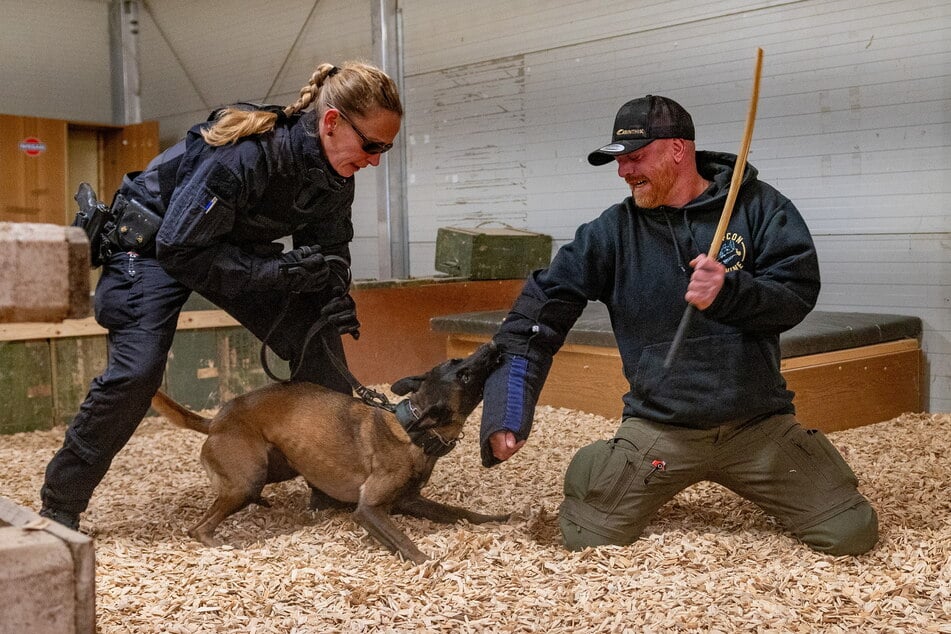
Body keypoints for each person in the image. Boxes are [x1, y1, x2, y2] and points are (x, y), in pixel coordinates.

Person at [479, 95, 878, 556]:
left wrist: (730, 291)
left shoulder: (760, 208)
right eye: (619, 161)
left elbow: (796, 296)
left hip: (758, 426)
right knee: (585, 535)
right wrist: (507, 411)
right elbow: (537, 316)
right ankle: (599, 463)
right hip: (660, 428)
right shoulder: (610, 233)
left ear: (677, 150)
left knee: (851, 532)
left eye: (635, 158)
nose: (623, 172)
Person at [40, 61, 403, 531]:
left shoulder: (335, 174)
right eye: (370, 145)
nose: (374, 159)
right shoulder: (244, 156)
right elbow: (180, 249)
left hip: (227, 250)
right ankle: (60, 504)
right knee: (137, 371)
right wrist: (280, 271)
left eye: (385, 150)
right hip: (155, 250)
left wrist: (334, 295)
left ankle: (331, 487)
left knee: (321, 348)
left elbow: (330, 247)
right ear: (331, 122)